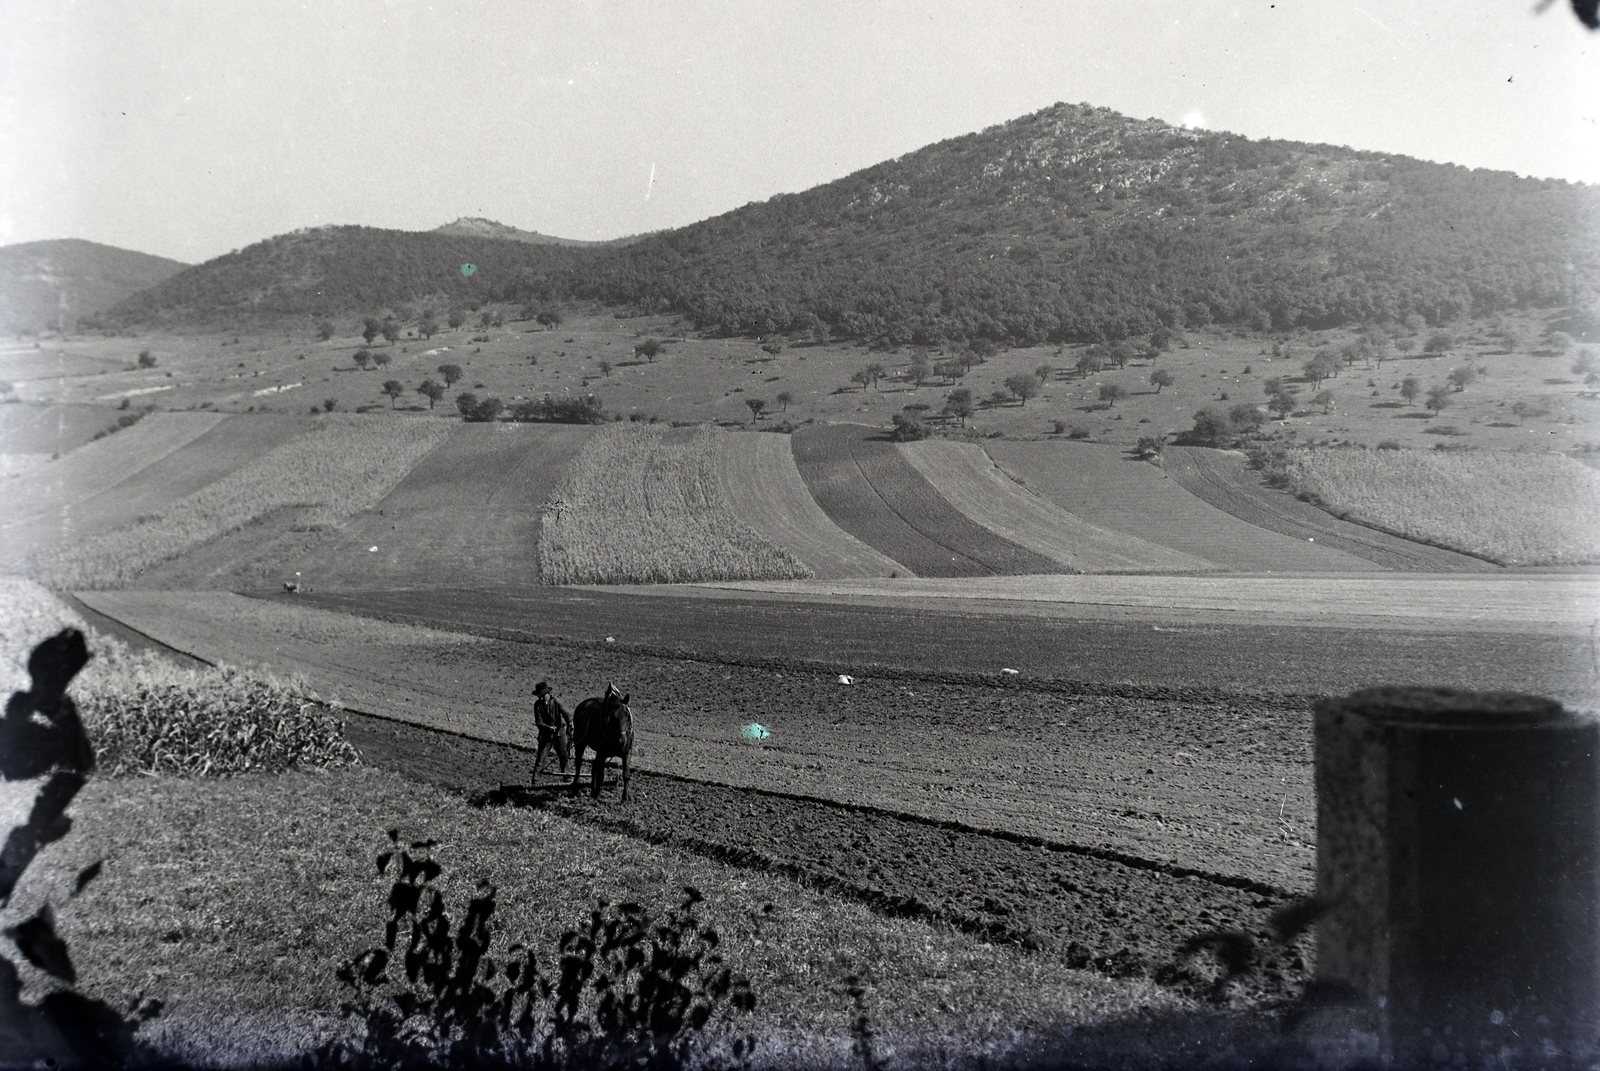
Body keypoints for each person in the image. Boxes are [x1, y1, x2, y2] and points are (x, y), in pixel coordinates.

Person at [531, 680, 572, 784]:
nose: (540, 698)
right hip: (545, 735)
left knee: (564, 755)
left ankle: (567, 778)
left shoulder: (556, 702)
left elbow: (566, 714)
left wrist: (570, 725)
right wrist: (548, 728)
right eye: (539, 696)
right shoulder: (537, 705)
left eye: (542, 696)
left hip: (559, 733)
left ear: (547, 694)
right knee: (541, 757)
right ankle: (535, 780)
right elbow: (539, 722)